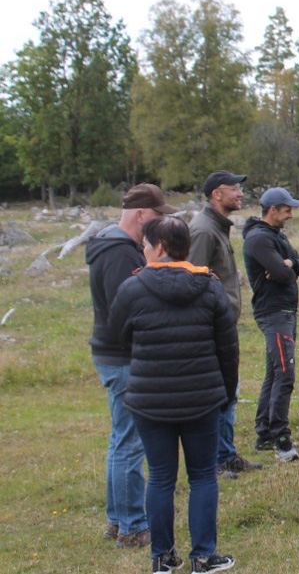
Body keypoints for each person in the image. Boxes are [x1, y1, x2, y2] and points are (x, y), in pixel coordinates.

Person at [109, 216, 238, 574]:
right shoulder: (210, 287)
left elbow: (117, 335)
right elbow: (229, 348)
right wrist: (225, 394)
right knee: (202, 477)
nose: (143, 251)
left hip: (150, 401)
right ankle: (203, 556)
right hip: (202, 398)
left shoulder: (131, 289)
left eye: (146, 246)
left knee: (162, 477)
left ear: (160, 248)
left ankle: (162, 558)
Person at [86, 183, 178, 548]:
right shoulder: (120, 254)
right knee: (131, 442)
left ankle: (116, 519)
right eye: (157, 216)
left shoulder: (113, 247)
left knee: (121, 439)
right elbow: (124, 310)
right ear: (141, 214)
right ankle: (132, 525)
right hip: (123, 358)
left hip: (115, 355)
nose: (159, 225)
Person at [189, 170, 261, 479]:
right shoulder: (204, 231)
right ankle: (214, 461)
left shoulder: (217, 227)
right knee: (218, 394)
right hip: (210, 329)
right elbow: (191, 281)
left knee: (229, 391)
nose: (240, 194)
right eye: (234, 189)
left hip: (223, 326)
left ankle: (226, 454)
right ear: (217, 194)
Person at [243, 187, 299, 462]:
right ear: (273, 210)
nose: (290, 214)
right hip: (273, 313)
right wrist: (287, 268)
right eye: (287, 209)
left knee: (274, 372)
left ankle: (264, 434)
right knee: (285, 372)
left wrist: (290, 261)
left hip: (285, 312)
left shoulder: (276, 237)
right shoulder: (258, 240)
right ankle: (282, 440)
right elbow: (285, 276)